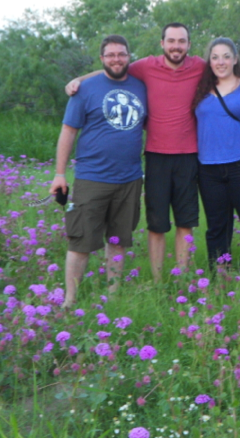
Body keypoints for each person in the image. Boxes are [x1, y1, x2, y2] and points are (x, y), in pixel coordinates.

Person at [66, 23, 205, 282]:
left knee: (185, 222)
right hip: (155, 155)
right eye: (171, 41)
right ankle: (157, 279)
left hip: (189, 155)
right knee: (157, 223)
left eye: (182, 41)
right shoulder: (145, 66)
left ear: (189, 44)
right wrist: (79, 80)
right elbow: (112, 70)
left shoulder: (200, 67)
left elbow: (229, 71)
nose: (176, 46)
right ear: (162, 43)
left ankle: (182, 278)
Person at [51, 35, 147, 305]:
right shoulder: (85, 89)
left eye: (122, 54)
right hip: (92, 178)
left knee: (118, 241)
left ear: (129, 56)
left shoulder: (141, 87)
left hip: (130, 179)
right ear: (102, 59)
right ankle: (70, 300)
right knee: (80, 240)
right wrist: (60, 174)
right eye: (111, 55)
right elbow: (68, 131)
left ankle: (113, 296)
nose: (117, 59)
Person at [192, 37, 240, 272]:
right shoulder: (201, 89)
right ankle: (219, 275)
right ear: (209, 61)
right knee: (216, 225)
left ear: (235, 59)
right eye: (215, 57)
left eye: (226, 56)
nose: (220, 62)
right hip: (209, 167)